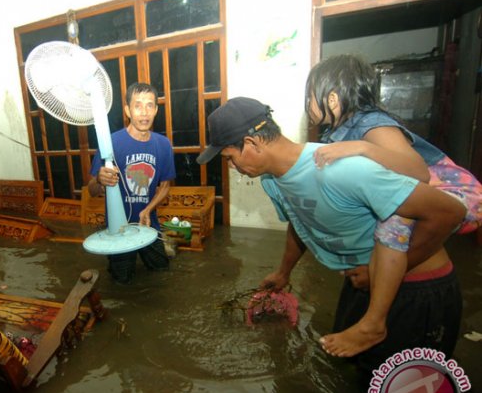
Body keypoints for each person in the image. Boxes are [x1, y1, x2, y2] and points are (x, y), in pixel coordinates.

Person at [196, 96, 465, 375]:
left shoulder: (340, 170)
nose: (231, 167)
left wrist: (379, 273)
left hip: (416, 288)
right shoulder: (272, 181)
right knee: (353, 377)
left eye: (229, 157)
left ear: (251, 144)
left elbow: (448, 213)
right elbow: (299, 220)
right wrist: (283, 272)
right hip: (361, 279)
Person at [305, 54, 482, 357]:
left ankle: (375, 323)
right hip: (428, 191)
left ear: (332, 99)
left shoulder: (371, 124)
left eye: (309, 96)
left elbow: (418, 171)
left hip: (456, 192)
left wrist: (363, 147)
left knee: (393, 218)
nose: (307, 104)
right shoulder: (336, 133)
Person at [87, 82, 176, 284]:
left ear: (156, 109)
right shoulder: (110, 143)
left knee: (162, 274)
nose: (144, 112)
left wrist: (148, 210)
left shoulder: (163, 145)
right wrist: (100, 179)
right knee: (121, 282)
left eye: (149, 105)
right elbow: (91, 190)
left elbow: (165, 186)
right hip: (118, 229)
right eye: (137, 105)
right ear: (127, 110)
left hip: (148, 224)